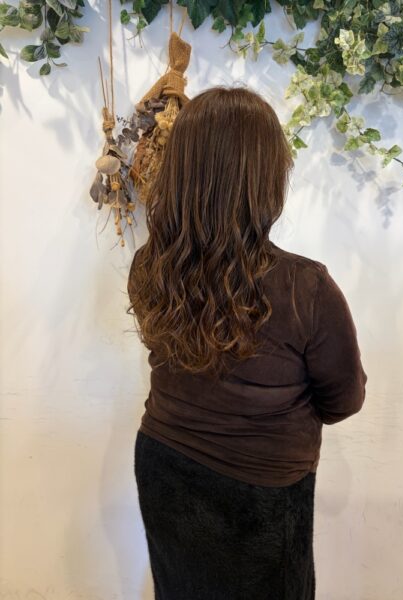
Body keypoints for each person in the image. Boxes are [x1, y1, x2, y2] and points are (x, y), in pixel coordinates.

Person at [127, 85, 368, 600]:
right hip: (261, 496)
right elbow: (344, 399)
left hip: (164, 463)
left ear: (181, 170)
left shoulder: (150, 266)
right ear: (265, 178)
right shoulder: (306, 288)